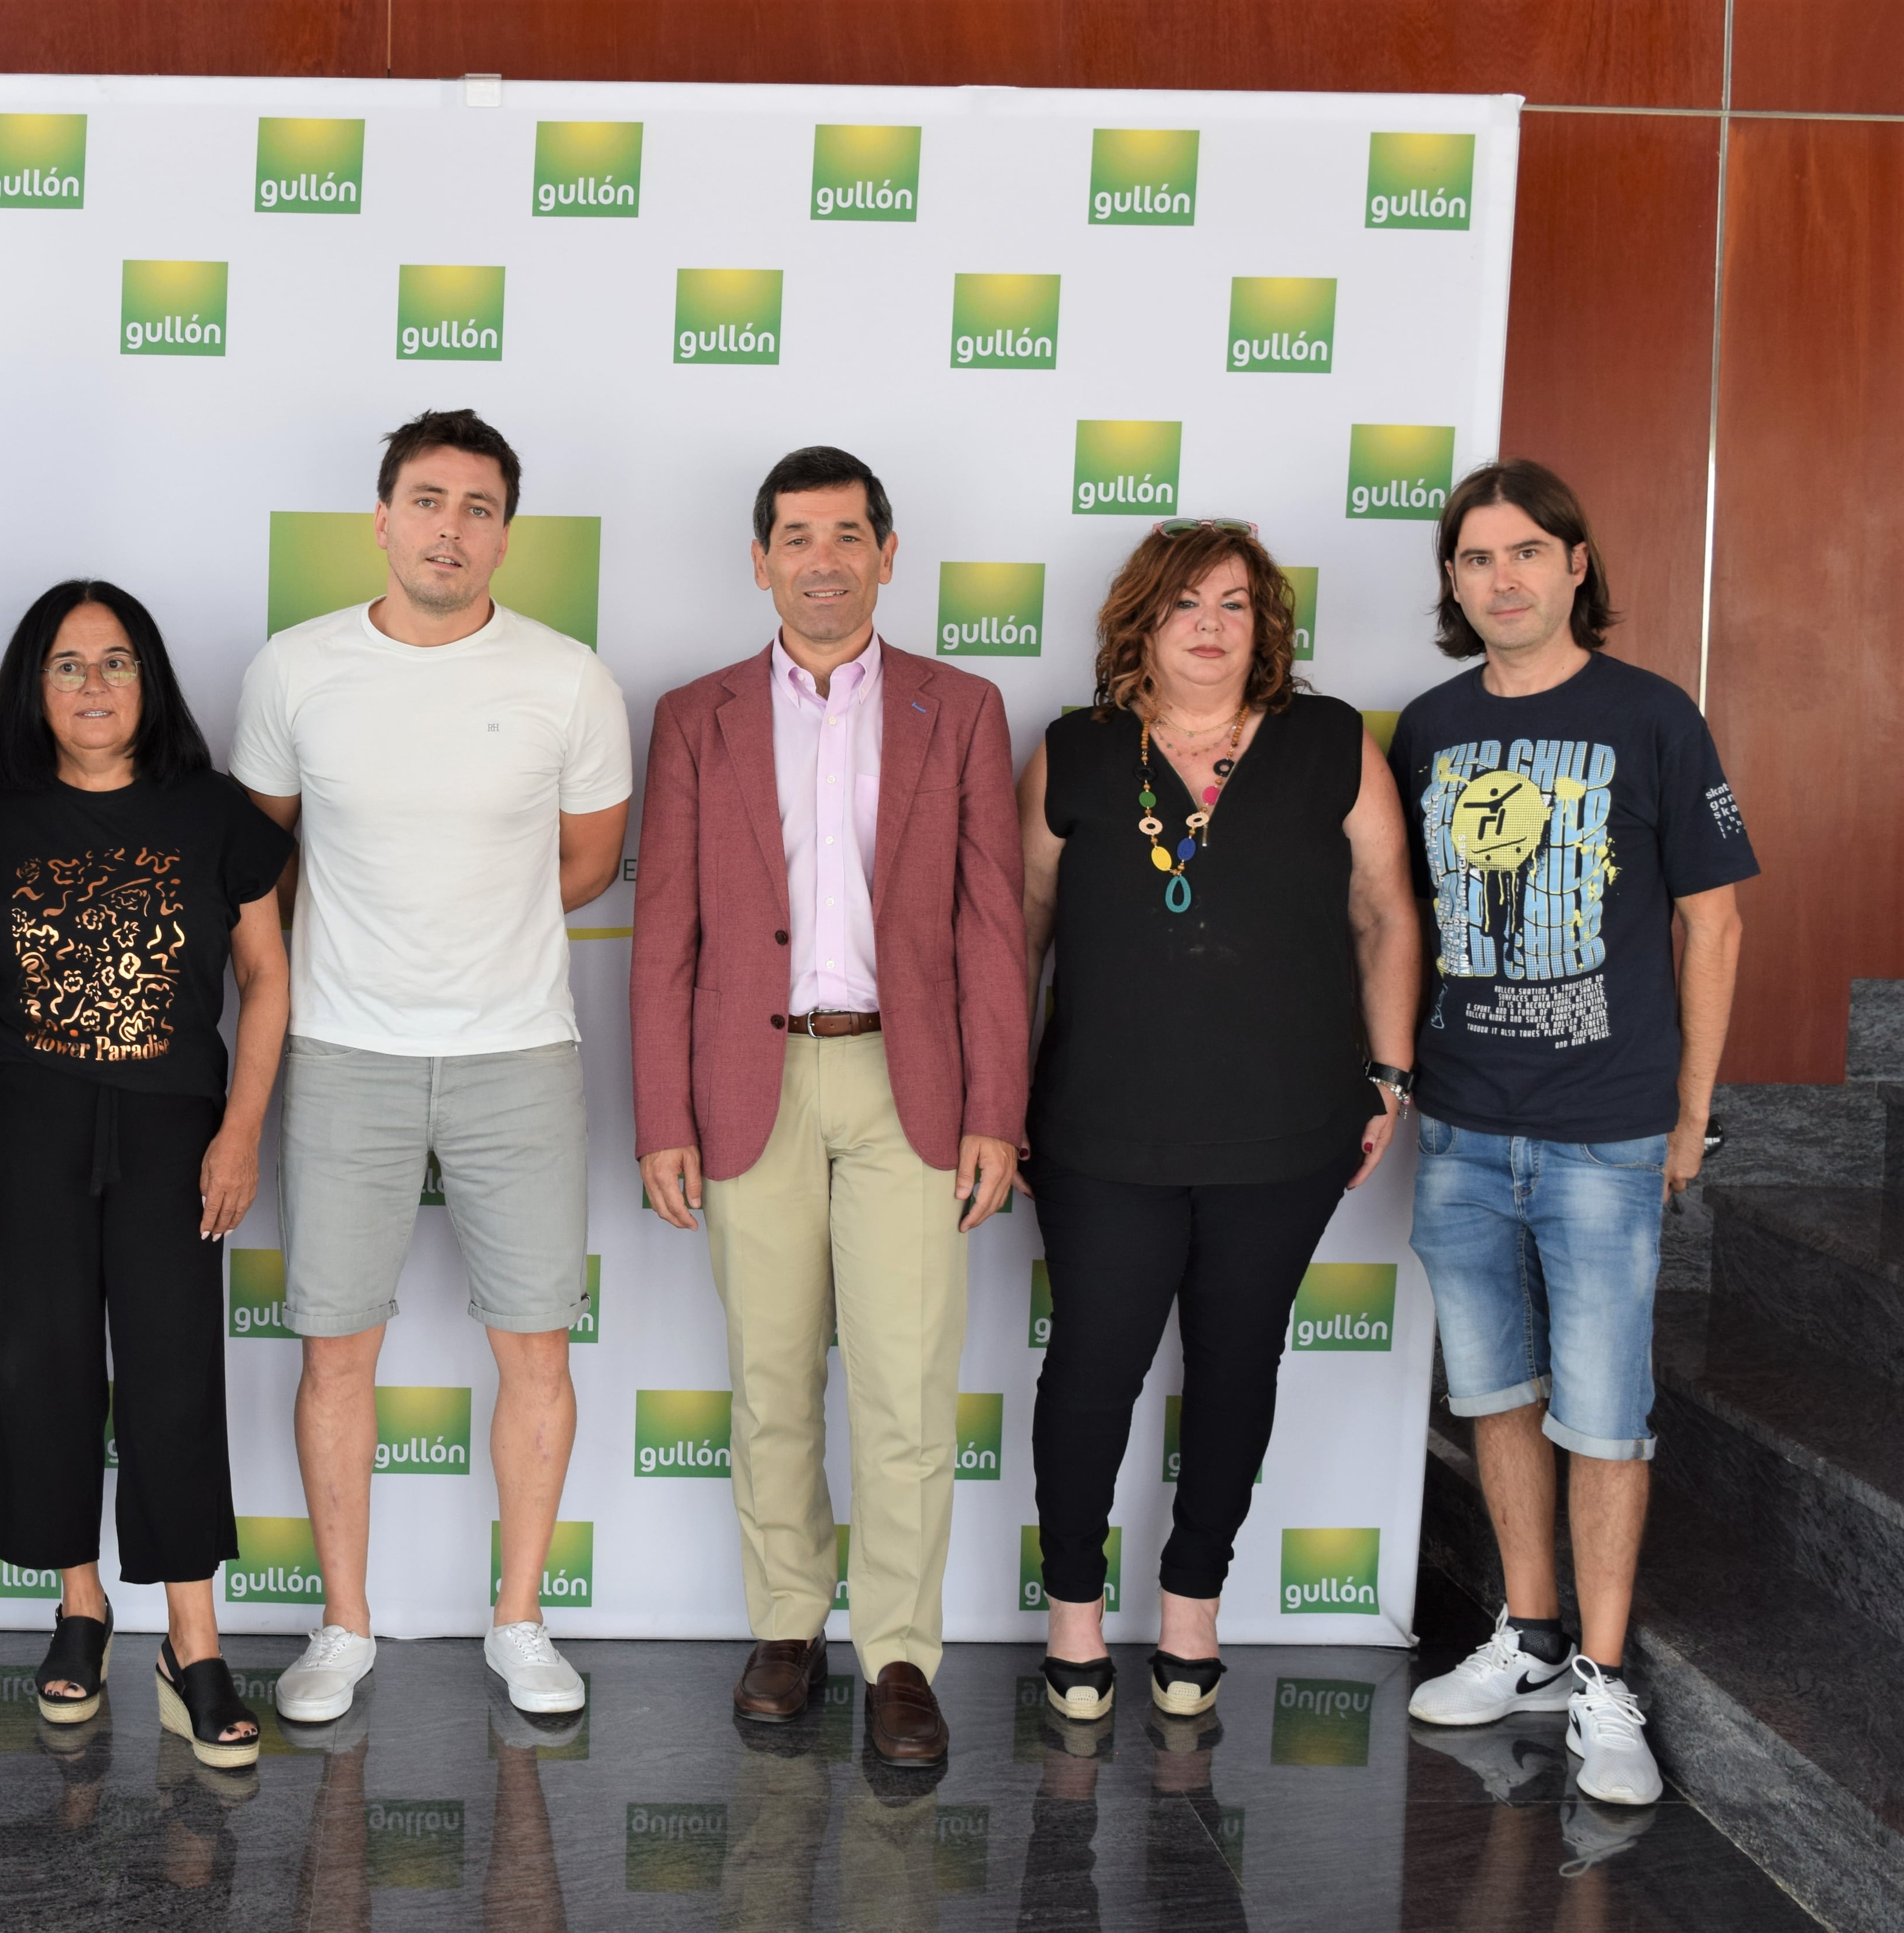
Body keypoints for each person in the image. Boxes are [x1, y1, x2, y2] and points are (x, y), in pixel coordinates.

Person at [231, 408, 632, 1720]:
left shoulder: (568, 678)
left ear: (504, 532)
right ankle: (341, 1626)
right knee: (335, 1350)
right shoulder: (294, 670)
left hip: (518, 1051)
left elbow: (583, 860)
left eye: (475, 506)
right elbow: (261, 860)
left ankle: (519, 1619)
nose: (448, 527)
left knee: (536, 1351)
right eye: (426, 499)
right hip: (344, 1050)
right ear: (383, 518)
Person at [633, 445, 1029, 1765]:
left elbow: (990, 924)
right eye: (794, 537)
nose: (821, 559)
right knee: (769, 1376)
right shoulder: (696, 715)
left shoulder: (960, 707)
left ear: (886, 552)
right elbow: (667, 931)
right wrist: (661, 1115)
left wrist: (996, 1110)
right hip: (751, 1082)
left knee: (910, 1386)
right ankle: (786, 1623)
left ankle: (901, 1653)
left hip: (909, 1082)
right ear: (759, 561)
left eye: (846, 534)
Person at [1016, 519, 1419, 1722]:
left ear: (1267, 627)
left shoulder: (1331, 741)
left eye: (1235, 604)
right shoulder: (1075, 752)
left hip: (1284, 1126)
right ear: (1138, 621)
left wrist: (1389, 1074)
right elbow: (1016, 930)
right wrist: (998, 1096)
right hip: (1100, 1129)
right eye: (1184, 602)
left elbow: (1386, 913)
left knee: (1238, 1365)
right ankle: (1075, 1618)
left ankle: (1192, 1605)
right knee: (1092, 1368)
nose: (1209, 624)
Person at [1399, 460, 1754, 1808]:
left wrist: (1691, 1113)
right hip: (1463, 1127)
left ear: (1576, 566)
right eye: (1477, 557)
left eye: (1527, 553)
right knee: (1494, 1392)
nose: (1503, 577)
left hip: (1608, 1130)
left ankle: (1607, 1677)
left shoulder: (1652, 715)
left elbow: (1711, 920)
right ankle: (1530, 1637)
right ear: (1453, 582)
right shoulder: (1427, 727)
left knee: (1605, 1415)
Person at [0, 580, 292, 1768]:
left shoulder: (214, 811)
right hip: (27, 1126)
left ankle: (193, 1641)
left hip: (174, 1129)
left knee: (175, 1371)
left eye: (117, 661)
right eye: (69, 664)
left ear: (151, 681)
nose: (94, 685)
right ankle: (79, 1605)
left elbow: (267, 978)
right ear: (36, 685)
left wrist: (238, 1132)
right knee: (42, 1362)